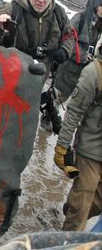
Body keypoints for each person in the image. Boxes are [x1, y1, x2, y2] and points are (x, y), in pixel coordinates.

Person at [0, 0, 74, 133]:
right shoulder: (12, 10)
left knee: (24, 130)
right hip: (9, 83)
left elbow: (70, 36)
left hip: (37, 84)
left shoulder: (59, 14)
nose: (41, 0)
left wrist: (65, 51)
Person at [54, 49, 102, 231]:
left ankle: (71, 208)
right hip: (90, 153)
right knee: (80, 209)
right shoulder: (93, 72)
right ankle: (69, 239)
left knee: (95, 206)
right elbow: (73, 112)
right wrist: (62, 147)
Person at [54, 0, 102, 99]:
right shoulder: (79, 19)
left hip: (86, 80)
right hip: (68, 75)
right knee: (56, 102)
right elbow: (66, 42)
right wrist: (85, 56)